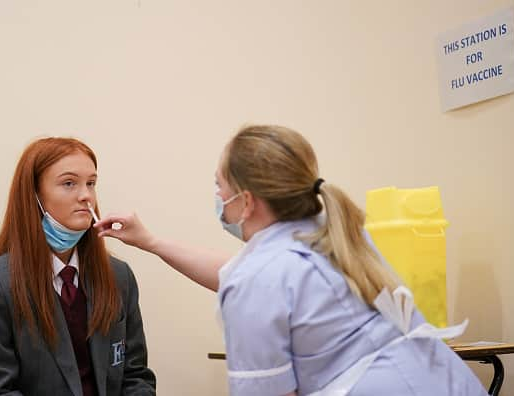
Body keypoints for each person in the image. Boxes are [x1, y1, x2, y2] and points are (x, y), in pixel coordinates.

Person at [94, 125, 487, 396]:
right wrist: (152, 242)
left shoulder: (261, 278)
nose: (216, 195)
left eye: (219, 185)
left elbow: (253, 286)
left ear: (246, 201)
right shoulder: (332, 229)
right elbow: (241, 274)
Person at [0, 137, 156, 396]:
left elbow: (135, 377)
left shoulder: (119, 276)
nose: (86, 196)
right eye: (69, 183)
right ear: (35, 196)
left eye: (91, 183)